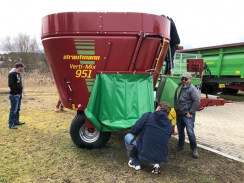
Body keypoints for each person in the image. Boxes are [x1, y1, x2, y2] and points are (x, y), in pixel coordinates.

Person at [124, 102, 172, 174]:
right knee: (159, 142)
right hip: (160, 157)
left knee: (128, 136)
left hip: (143, 154)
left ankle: (135, 163)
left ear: (158, 108)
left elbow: (134, 129)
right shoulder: (169, 124)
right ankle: (156, 164)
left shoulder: (147, 116)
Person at [174, 72, 200, 158]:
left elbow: (197, 101)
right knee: (180, 131)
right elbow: (176, 99)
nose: (183, 80)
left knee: (190, 132)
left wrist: (191, 112)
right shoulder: (179, 87)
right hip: (179, 113)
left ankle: (194, 149)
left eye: (185, 79)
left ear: (190, 79)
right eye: (182, 79)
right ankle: (180, 146)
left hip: (187, 115)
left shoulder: (192, 89)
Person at [8, 62, 26, 129]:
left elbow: (18, 84)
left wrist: (20, 92)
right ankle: (11, 124)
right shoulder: (12, 74)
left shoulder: (18, 74)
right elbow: (11, 84)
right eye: (22, 67)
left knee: (17, 109)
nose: (23, 68)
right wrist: (15, 93)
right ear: (19, 67)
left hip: (19, 94)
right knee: (13, 110)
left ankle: (16, 121)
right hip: (14, 95)